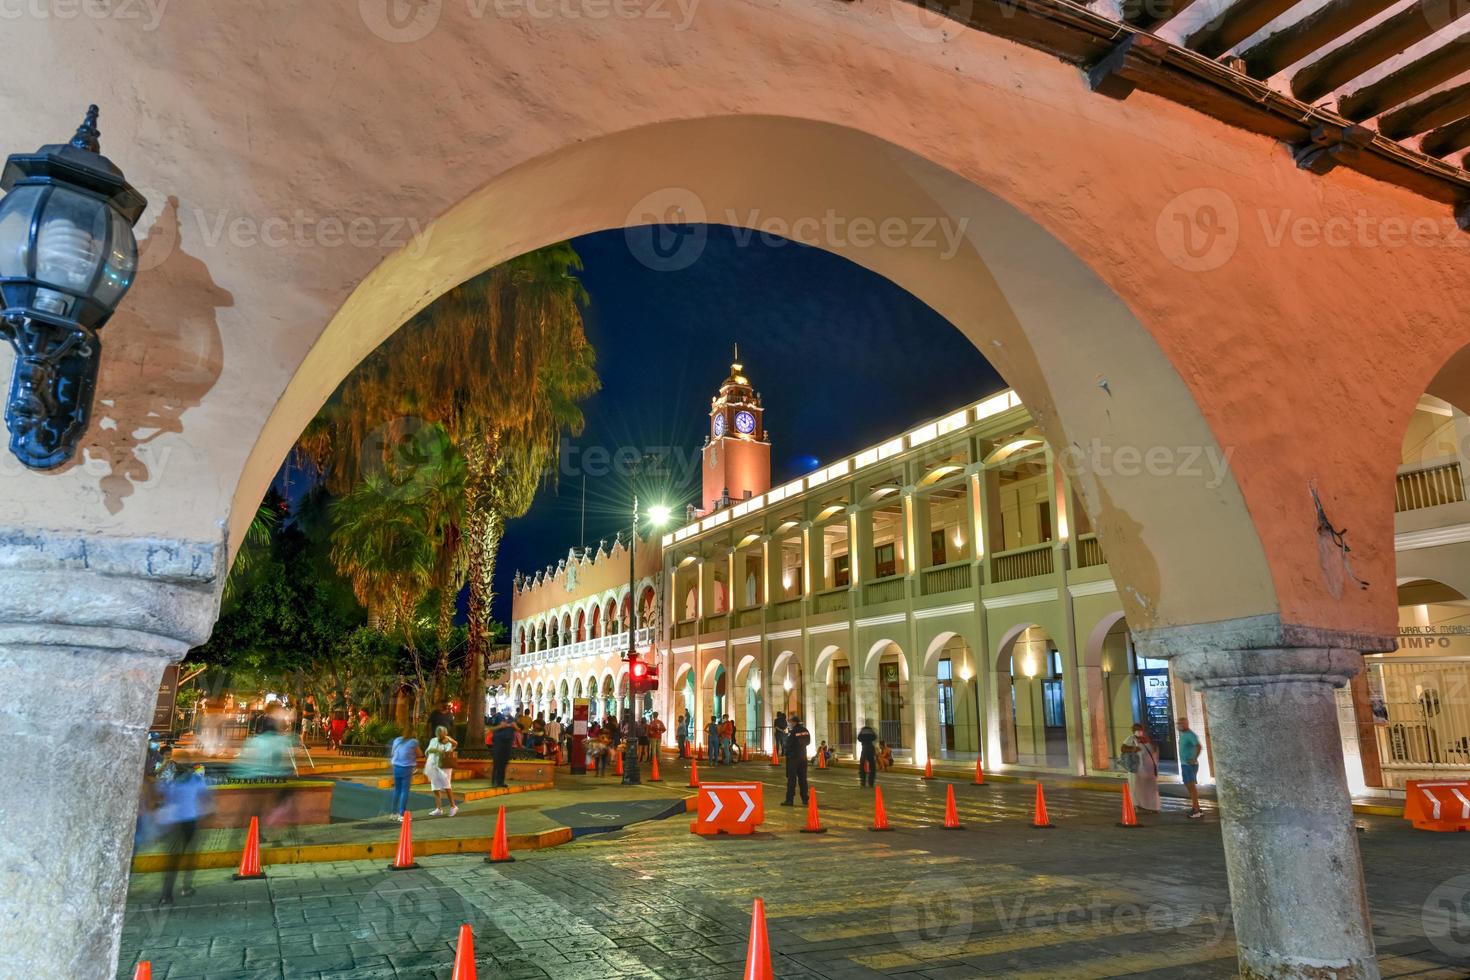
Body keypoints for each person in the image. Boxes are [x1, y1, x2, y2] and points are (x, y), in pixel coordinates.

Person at [156, 763, 211, 905]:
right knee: (190, 856)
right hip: (189, 821)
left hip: (174, 823)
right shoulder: (195, 779)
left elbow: (158, 794)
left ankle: (166, 895)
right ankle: (186, 887)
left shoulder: (170, 780)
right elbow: (206, 799)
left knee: (172, 859)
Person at [1122, 722, 1160, 813]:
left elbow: (1154, 751)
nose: (1138, 731)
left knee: (1150, 789)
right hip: (1137, 769)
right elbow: (1123, 748)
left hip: (1149, 770)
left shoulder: (1148, 739)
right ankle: (1138, 805)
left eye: (1140, 729)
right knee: (1136, 788)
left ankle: (1152, 806)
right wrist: (1133, 749)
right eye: (1136, 729)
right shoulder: (1131, 739)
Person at [424, 725, 459, 817]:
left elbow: (453, 746)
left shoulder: (448, 740)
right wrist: (434, 750)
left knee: (447, 786)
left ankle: (453, 806)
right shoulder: (433, 740)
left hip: (445, 767)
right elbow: (427, 751)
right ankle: (439, 808)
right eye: (439, 733)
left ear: (445, 733)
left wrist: (448, 741)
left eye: (442, 733)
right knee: (435, 787)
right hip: (433, 765)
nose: (440, 735)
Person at [388, 730, 420, 821]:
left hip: (396, 767)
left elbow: (392, 753)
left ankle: (394, 813)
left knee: (397, 790)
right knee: (404, 791)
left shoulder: (397, 740)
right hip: (406, 767)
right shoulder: (413, 742)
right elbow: (419, 754)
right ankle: (402, 814)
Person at [781, 714, 811, 806]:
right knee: (803, 779)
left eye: (790, 722)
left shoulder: (793, 732)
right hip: (803, 757)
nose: (789, 723)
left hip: (793, 758)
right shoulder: (805, 730)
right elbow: (808, 742)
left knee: (791, 780)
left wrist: (786, 752)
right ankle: (805, 799)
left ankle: (789, 800)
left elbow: (787, 744)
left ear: (794, 722)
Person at [1178, 716, 1204, 819]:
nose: (1179, 725)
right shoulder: (1183, 734)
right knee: (1189, 786)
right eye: (1178, 723)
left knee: (1191, 786)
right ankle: (1196, 807)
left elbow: (1199, 746)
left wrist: (1194, 758)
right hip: (1185, 764)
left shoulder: (1190, 735)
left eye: (1181, 723)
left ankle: (1196, 810)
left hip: (1190, 765)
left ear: (1187, 724)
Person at [489, 713, 515, 788]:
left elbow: (518, 728)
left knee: (504, 762)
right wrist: (501, 726)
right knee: (497, 761)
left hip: (508, 742)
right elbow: (491, 727)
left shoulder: (511, 718)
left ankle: (501, 781)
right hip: (499, 742)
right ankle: (495, 781)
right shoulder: (498, 717)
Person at [856, 719, 878, 787]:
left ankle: (863, 781)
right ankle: (871, 782)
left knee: (862, 765)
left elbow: (859, 738)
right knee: (872, 766)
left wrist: (864, 740)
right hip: (870, 747)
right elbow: (875, 737)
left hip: (864, 748)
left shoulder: (862, 730)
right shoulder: (871, 730)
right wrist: (869, 740)